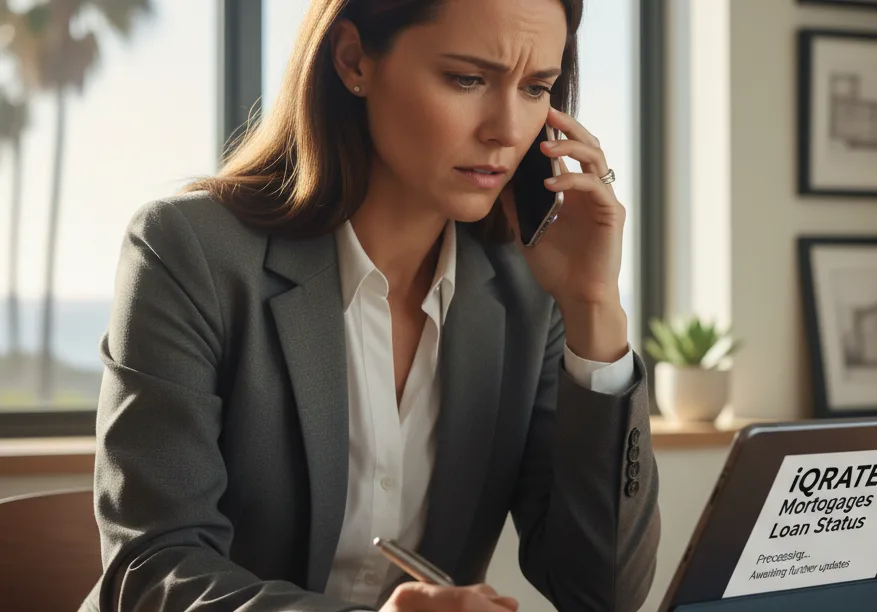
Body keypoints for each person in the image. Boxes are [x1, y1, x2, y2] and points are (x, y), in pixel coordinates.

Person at [79, 0, 660, 610]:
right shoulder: (190, 251)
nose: (508, 130)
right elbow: (151, 572)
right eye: (467, 79)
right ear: (355, 60)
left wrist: (595, 309)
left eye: (536, 87)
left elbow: (603, 592)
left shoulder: (527, 290)